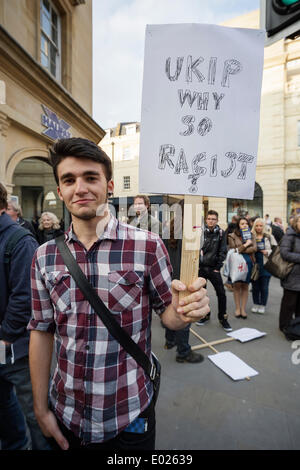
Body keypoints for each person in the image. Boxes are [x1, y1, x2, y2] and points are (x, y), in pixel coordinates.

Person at [28, 137, 210, 451]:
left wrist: (183, 311)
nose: (80, 188)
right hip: (65, 415)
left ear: (109, 186)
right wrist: (41, 409)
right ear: (60, 191)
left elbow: (168, 315)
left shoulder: (147, 245)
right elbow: (41, 331)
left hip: (129, 418)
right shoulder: (44, 256)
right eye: (69, 180)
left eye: (90, 177)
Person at [0, 183, 49, 450]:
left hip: (15, 348)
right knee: (4, 405)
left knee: (35, 411)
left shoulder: (19, 240)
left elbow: (24, 297)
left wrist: (5, 337)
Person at [164, 202, 204, 363]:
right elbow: (196, 259)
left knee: (170, 310)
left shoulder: (169, 229)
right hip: (184, 280)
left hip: (169, 278)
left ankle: (170, 341)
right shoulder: (190, 232)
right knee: (184, 317)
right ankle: (183, 352)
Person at [196, 210, 232, 332]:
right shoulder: (200, 232)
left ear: (217, 220)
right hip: (201, 269)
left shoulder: (221, 233)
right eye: (209, 218)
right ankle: (205, 315)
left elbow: (223, 251)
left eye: (213, 219)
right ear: (206, 220)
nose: (211, 221)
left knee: (221, 293)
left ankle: (223, 318)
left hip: (213, 269)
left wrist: (217, 268)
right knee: (202, 293)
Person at [228, 217, 257, 319]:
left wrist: (241, 249)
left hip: (249, 263)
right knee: (237, 286)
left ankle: (243, 309)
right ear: (238, 226)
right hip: (237, 264)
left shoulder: (252, 235)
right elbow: (233, 249)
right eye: (242, 224)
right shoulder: (232, 236)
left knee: (245, 286)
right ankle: (237, 308)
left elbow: (254, 248)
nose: (245, 225)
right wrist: (246, 245)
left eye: (246, 224)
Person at [278, 214, 300, 334]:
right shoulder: (289, 236)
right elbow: (284, 253)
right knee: (289, 303)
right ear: (296, 223)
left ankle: (297, 325)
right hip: (291, 275)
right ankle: (284, 325)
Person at [250, 218, 277, 314]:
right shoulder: (251, 236)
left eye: (261, 225)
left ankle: (262, 305)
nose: (258, 227)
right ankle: (256, 303)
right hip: (254, 265)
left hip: (266, 265)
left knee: (264, 287)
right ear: (254, 226)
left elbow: (276, 250)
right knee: (255, 287)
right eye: (257, 225)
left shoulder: (269, 237)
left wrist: (268, 252)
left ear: (264, 226)